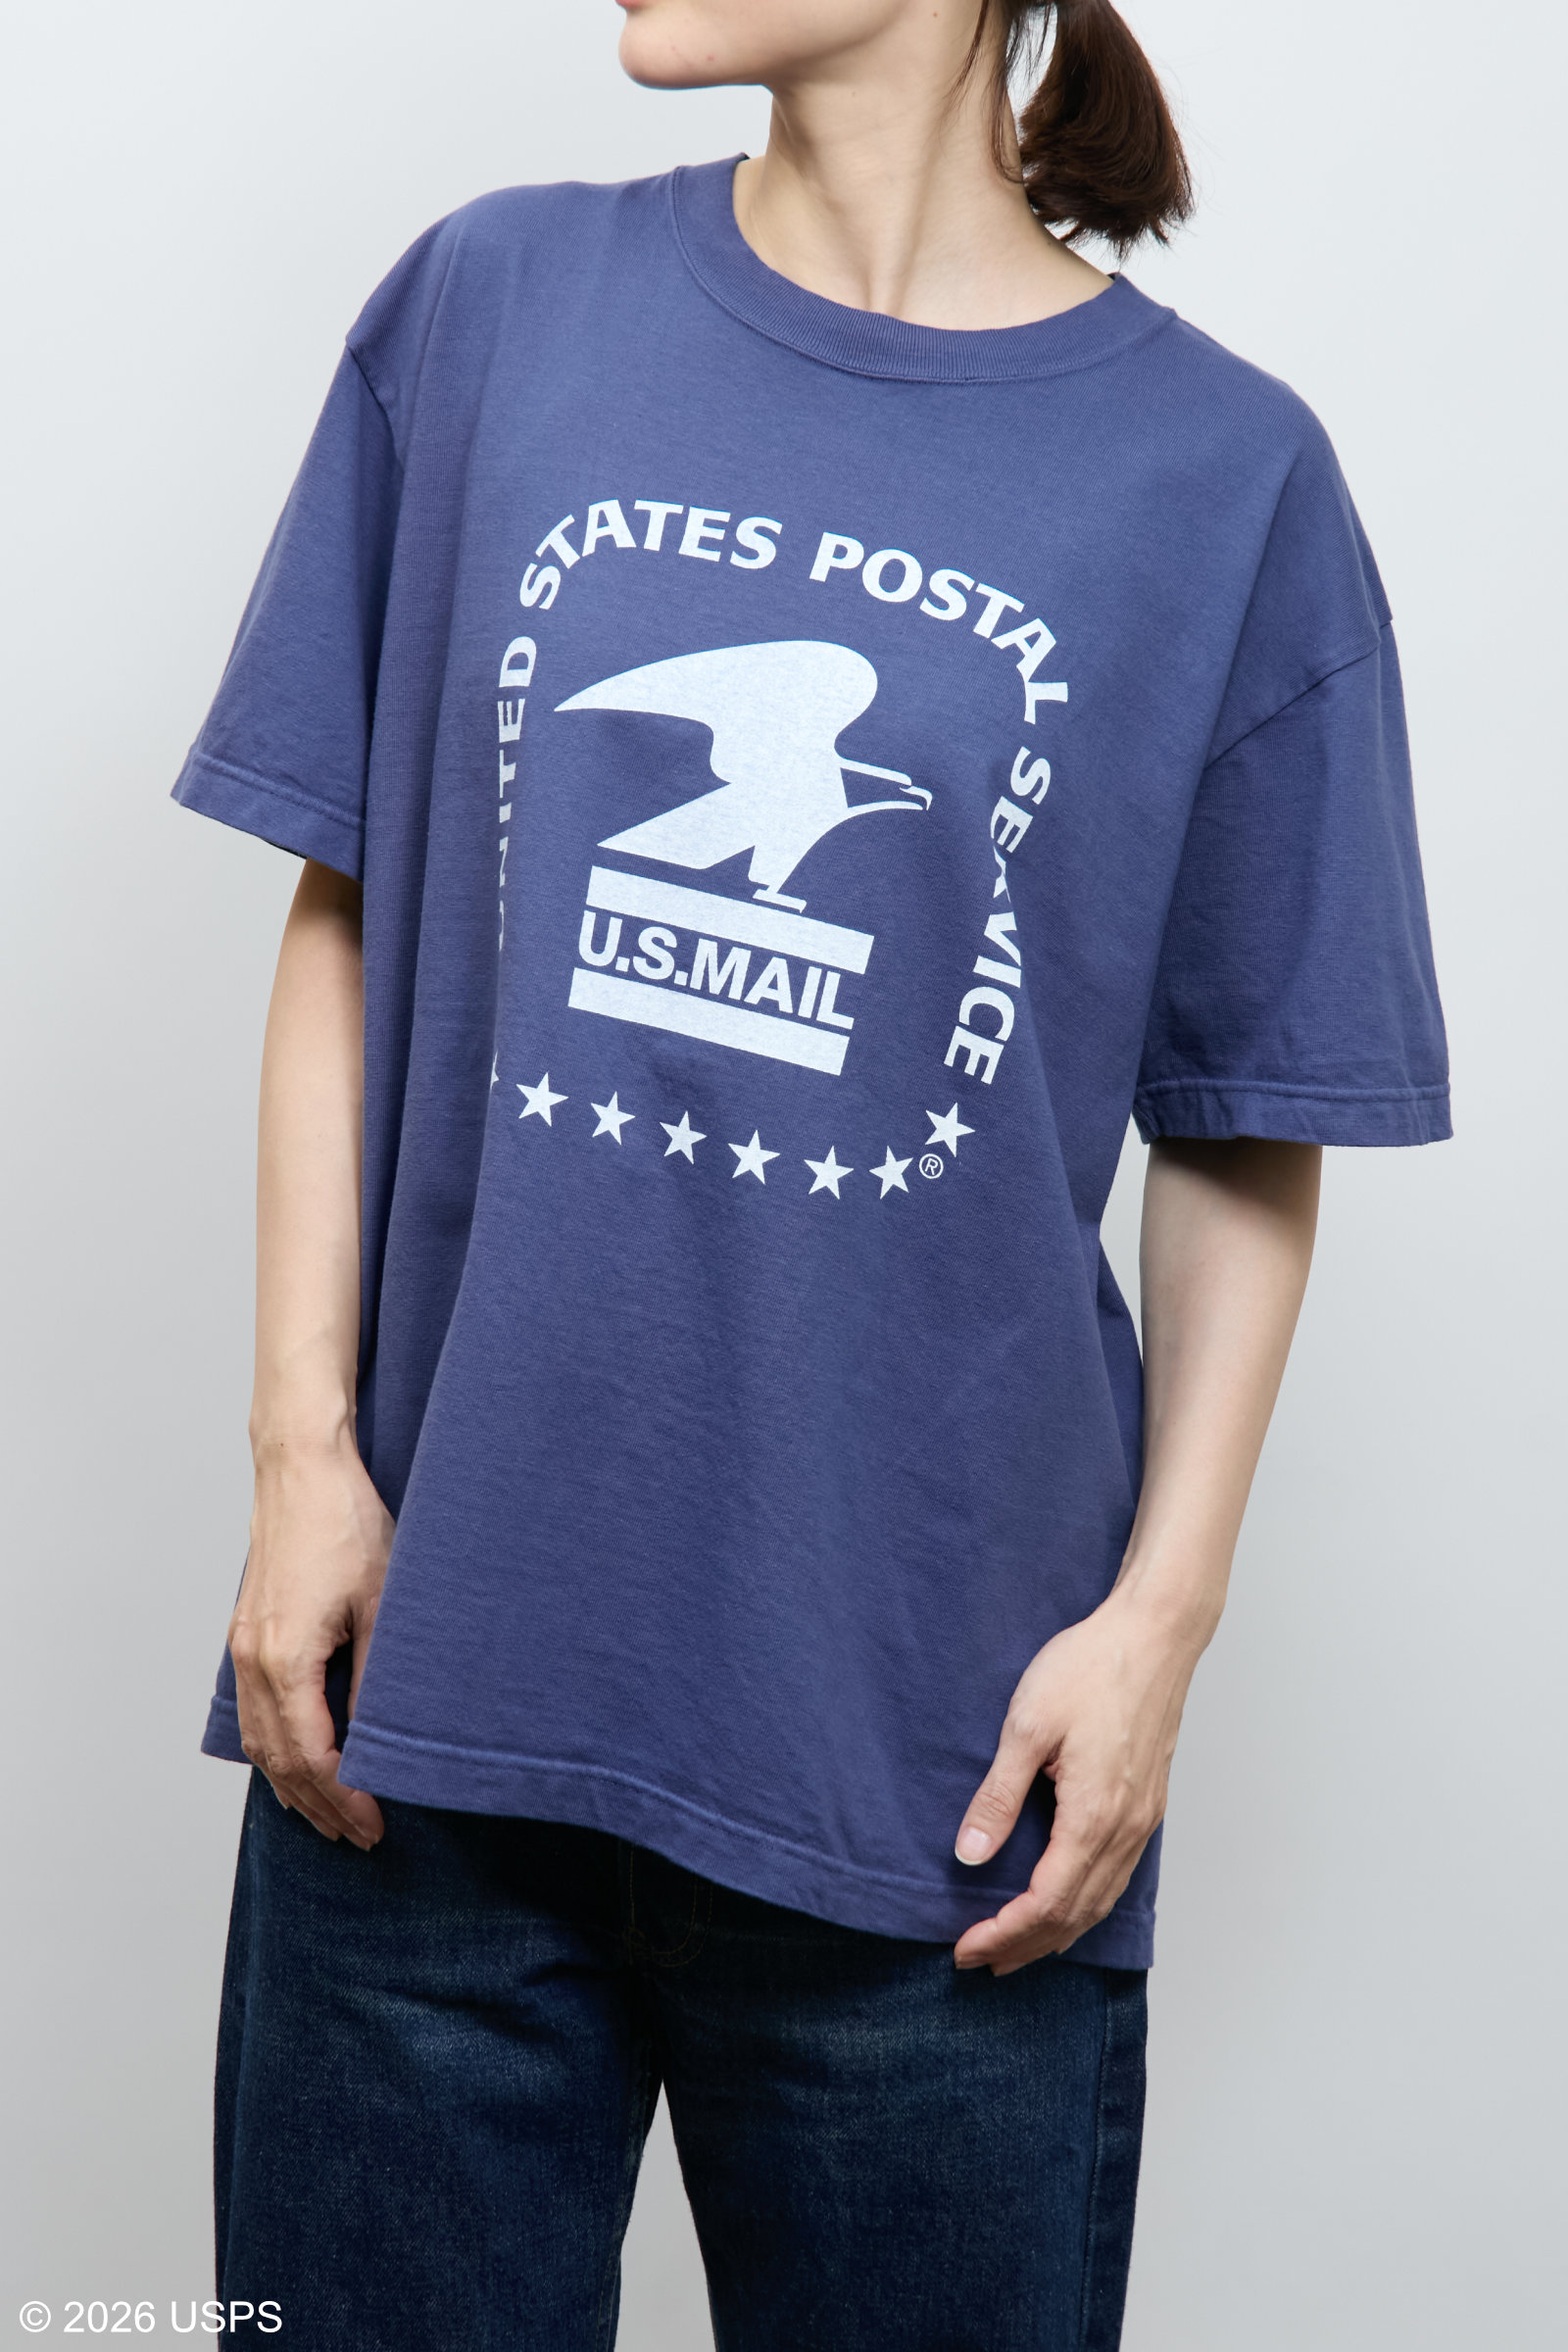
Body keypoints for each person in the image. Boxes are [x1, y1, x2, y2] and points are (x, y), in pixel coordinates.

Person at [174, 2, 1449, 2345]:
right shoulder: (492, 305)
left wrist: (1155, 1629)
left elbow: (1248, 1120)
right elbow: (345, 902)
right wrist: (297, 1454)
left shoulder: (1221, 478)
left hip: (929, 1771)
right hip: (425, 1701)